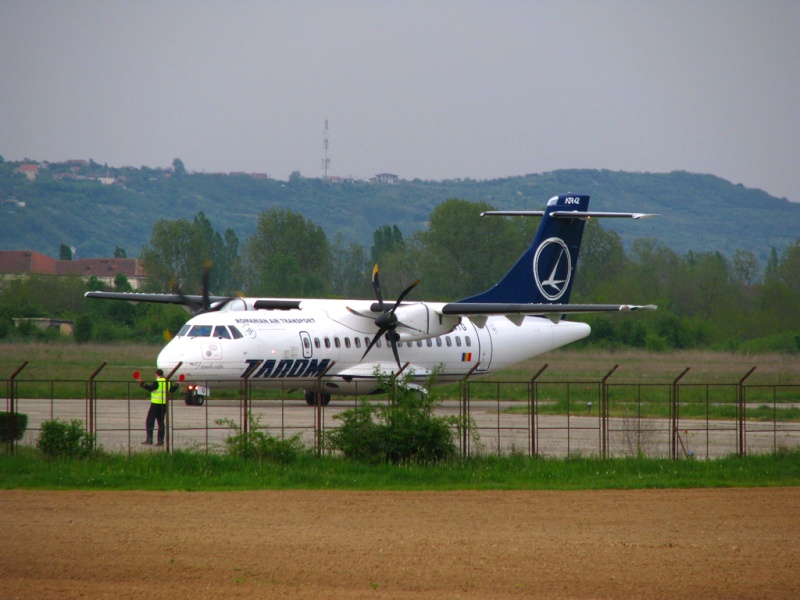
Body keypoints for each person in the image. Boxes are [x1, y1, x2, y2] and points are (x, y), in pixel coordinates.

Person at [135, 369, 177, 446]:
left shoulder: (157, 382)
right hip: (163, 405)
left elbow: (150, 388)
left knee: (150, 421)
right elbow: (172, 390)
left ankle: (149, 439)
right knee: (161, 423)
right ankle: (161, 440)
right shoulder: (166, 382)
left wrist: (142, 383)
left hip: (155, 404)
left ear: (157, 374)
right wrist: (177, 384)